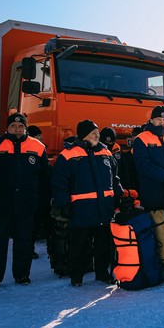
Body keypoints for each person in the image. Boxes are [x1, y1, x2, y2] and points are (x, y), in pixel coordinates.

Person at [51, 120, 123, 286]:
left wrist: (119, 196)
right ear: (83, 135)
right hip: (81, 210)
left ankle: (102, 273)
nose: (97, 136)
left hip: (103, 209)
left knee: (103, 245)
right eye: (93, 133)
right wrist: (64, 204)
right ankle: (77, 276)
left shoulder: (106, 152)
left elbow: (115, 176)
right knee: (79, 247)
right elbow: (59, 182)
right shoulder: (68, 155)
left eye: (97, 133)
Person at [0, 112, 48, 290]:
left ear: (25, 128)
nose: (17, 129)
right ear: (7, 128)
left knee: (24, 241)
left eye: (21, 126)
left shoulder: (38, 146)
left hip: (26, 203)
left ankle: (22, 275)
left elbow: (44, 175)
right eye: (13, 126)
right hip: (2, 203)